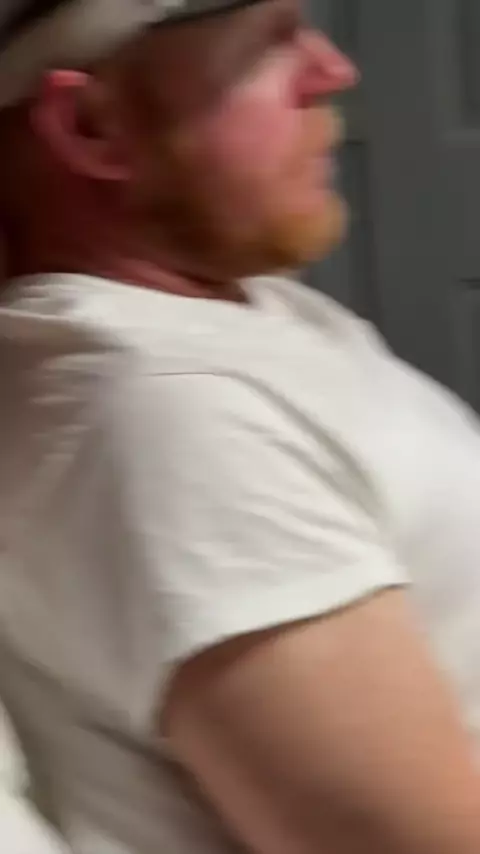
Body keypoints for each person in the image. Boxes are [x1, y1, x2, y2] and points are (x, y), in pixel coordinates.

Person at [0, 1, 480, 854]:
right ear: (89, 126)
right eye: (269, 42)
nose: (333, 71)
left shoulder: (232, 315)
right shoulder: (169, 413)